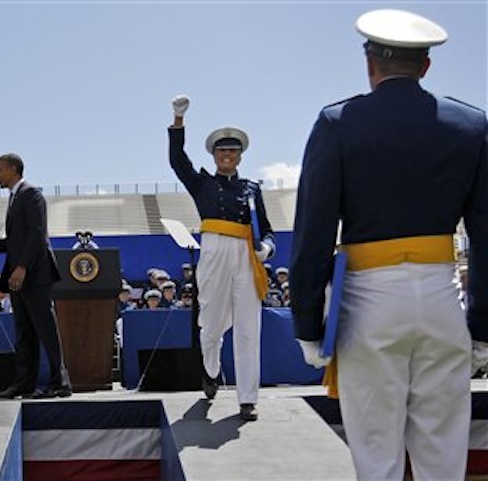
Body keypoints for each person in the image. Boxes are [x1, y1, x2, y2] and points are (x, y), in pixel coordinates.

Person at [289, 9, 488, 479]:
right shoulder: (472, 126)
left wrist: (307, 322)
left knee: (376, 453)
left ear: (370, 64)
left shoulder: (338, 123)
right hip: (442, 295)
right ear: (426, 66)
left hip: (369, 300)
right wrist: (482, 325)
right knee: (443, 453)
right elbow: (484, 234)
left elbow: (313, 231)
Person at [168, 95, 275, 421]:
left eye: (232, 151)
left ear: (240, 155)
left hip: (245, 255)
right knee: (210, 324)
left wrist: (266, 249)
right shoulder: (202, 183)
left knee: (247, 328)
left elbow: (268, 231)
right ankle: (211, 371)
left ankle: (247, 398)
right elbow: (177, 161)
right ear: (214, 156)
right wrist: (178, 122)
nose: (227, 156)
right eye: (221, 151)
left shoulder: (251, 188)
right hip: (213, 251)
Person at [0, 153, 72, 399]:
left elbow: (37, 234)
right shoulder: (15, 198)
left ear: (14, 169)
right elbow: (17, 240)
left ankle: (60, 383)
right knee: (24, 332)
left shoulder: (30, 194)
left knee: (45, 329)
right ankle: (23, 384)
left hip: (35, 275)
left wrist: (22, 266)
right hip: (18, 279)